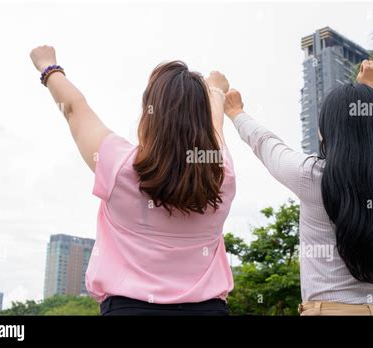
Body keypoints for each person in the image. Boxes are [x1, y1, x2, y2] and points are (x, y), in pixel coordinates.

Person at [30, 45, 235, 316]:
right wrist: (216, 92)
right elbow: (216, 127)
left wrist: (49, 67)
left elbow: (73, 109)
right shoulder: (221, 175)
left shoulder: (120, 165)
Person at [224, 60, 373, 316]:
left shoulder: (311, 176)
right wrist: (372, 90)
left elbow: (267, 144)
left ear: (326, 133)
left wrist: (237, 113)